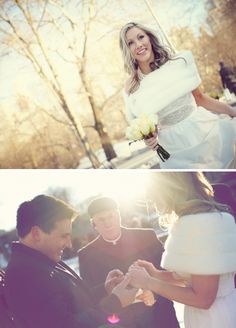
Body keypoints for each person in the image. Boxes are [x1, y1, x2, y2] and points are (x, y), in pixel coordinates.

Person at [4, 195, 138, 328]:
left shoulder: (42, 258)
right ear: (36, 234)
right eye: (64, 236)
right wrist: (116, 301)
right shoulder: (24, 274)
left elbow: (73, 301)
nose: (69, 245)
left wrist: (106, 289)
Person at [120, 22, 236, 169]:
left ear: (149, 38)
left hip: (201, 129)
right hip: (174, 147)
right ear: (127, 49)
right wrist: (149, 138)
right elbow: (147, 123)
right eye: (130, 42)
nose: (138, 44)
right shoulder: (132, 85)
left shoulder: (176, 63)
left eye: (141, 37)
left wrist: (232, 111)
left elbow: (200, 98)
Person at [127, 172, 236, 328]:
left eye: (151, 191)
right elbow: (194, 278)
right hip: (211, 313)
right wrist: (154, 273)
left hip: (214, 318)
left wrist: (148, 282)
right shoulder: (202, 218)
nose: (149, 198)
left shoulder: (200, 223)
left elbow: (203, 299)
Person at [78, 196, 179, 328]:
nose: (108, 223)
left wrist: (153, 292)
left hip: (160, 314)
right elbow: (91, 294)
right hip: (122, 321)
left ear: (119, 215)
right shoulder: (86, 254)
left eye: (111, 216)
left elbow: (167, 274)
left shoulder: (147, 236)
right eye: (101, 219)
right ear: (94, 224)